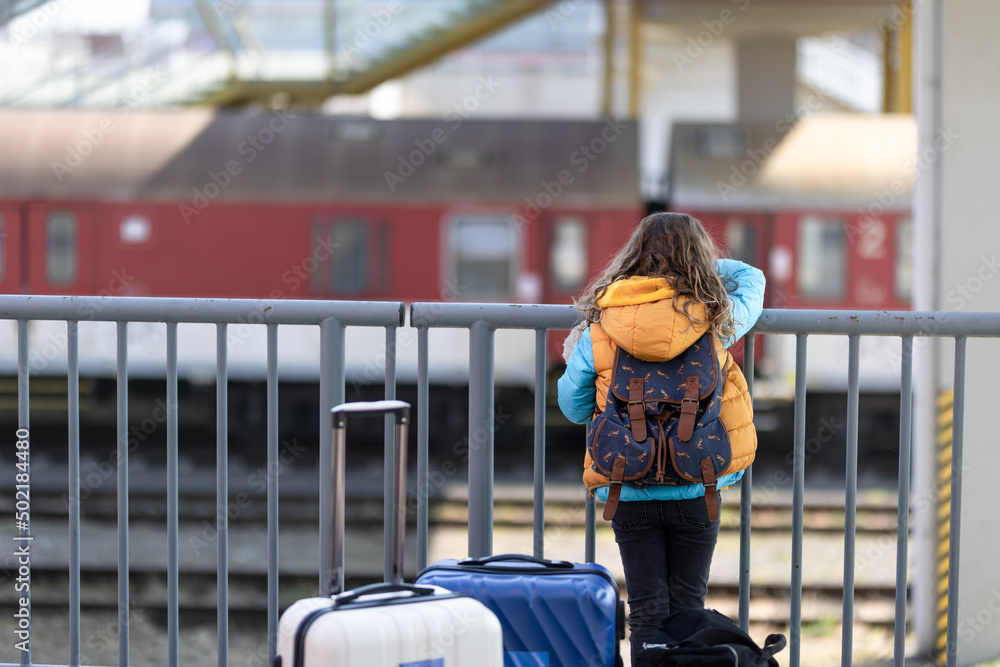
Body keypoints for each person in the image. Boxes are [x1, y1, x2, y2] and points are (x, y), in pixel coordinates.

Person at [556, 211, 765, 662]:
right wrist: (708, 271)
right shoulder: (715, 319)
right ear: (698, 260)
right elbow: (753, 279)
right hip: (697, 482)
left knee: (647, 609)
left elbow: (573, 408)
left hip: (627, 487)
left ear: (633, 258)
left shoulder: (601, 326)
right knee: (688, 603)